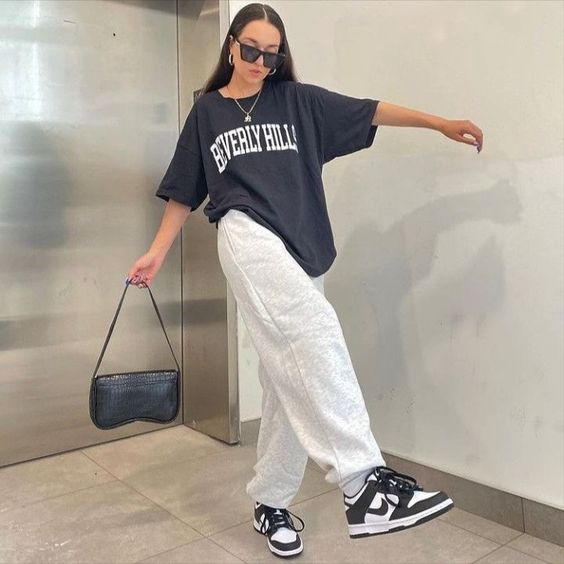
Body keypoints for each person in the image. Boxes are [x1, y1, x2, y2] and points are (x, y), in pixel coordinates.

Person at [127, 3, 483, 559]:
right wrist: (156, 251)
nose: (259, 62)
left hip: (303, 249)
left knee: (288, 377)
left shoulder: (298, 101)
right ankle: (363, 481)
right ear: (231, 45)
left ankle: (269, 500)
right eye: (251, 49)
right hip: (246, 234)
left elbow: (370, 111)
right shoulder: (208, 111)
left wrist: (438, 122)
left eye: (272, 54)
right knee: (313, 332)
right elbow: (183, 188)